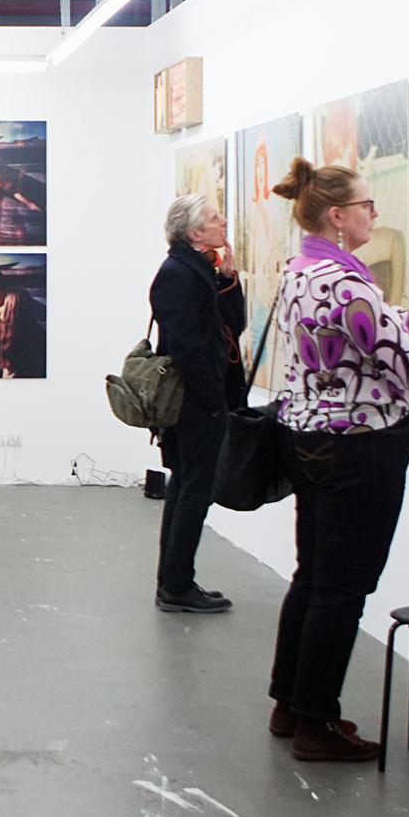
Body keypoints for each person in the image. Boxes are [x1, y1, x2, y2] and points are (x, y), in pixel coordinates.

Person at [266, 158, 409, 762]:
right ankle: (317, 722)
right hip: (359, 449)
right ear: (337, 215)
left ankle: (289, 704)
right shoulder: (348, 281)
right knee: (343, 589)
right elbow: (407, 364)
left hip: (310, 441)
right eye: (367, 204)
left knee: (313, 576)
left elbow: (359, 339)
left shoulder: (305, 270)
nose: (374, 213)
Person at [149, 193, 246, 615]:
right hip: (194, 403)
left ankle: (173, 581)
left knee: (186, 486)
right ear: (193, 233)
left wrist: (229, 279)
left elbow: (232, 326)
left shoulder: (198, 269)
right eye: (213, 218)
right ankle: (176, 585)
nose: (222, 221)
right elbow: (186, 346)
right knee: (193, 491)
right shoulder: (176, 273)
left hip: (202, 398)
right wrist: (211, 401)